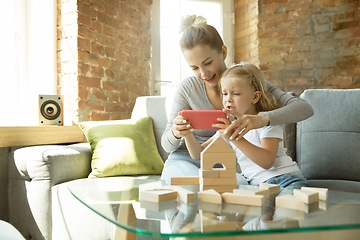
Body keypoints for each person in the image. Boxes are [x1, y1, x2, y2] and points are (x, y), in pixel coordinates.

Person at [160, 15, 313, 185]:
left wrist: (262, 119)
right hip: (186, 161)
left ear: (223, 52)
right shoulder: (188, 88)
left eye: (208, 62)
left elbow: (304, 109)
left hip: (226, 166)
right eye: (194, 68)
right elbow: (170, 146)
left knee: (229, 190)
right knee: (200, 186)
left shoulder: (248, 81)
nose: (203, 73)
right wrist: (177, 131)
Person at [183, 62, 309, 188]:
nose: (228, 99)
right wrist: (187, 134)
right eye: (225, 93)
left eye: (236, 93)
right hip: (257, 186)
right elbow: (198, 154)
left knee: (288, 207)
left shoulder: (266, 120)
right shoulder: (229, 127)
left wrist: (233, 137)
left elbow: (267, 162)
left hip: (286, 180)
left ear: (255, 97)